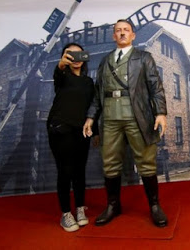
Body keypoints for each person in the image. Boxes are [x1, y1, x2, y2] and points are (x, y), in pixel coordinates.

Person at [83, 19, 168, 227]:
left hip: (136, 115)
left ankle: (155, 206)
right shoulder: (105, 61)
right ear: (113, 36)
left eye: (126, 30)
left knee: (146, 161)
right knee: (110, 162)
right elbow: (97, 93)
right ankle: (113, 205)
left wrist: (161, 112)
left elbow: (155, 86)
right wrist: (91, 117)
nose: (122, 33)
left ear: (133, 35)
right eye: (118, 31)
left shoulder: (144, 58)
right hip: (110, 117)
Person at [47, 43, 98, 232]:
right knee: (65, 170)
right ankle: (66, 214)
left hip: (81, 130)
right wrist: (60, 65)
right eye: (70, 55)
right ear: (65, 58)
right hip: (60, 127)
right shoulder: (62, 76)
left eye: (79, 54)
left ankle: (79, 208)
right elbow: (57, 74)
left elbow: (93, 107)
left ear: (84, 57)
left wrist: (96, 132)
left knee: (79, 171)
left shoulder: (88, 82)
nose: (75, 58)